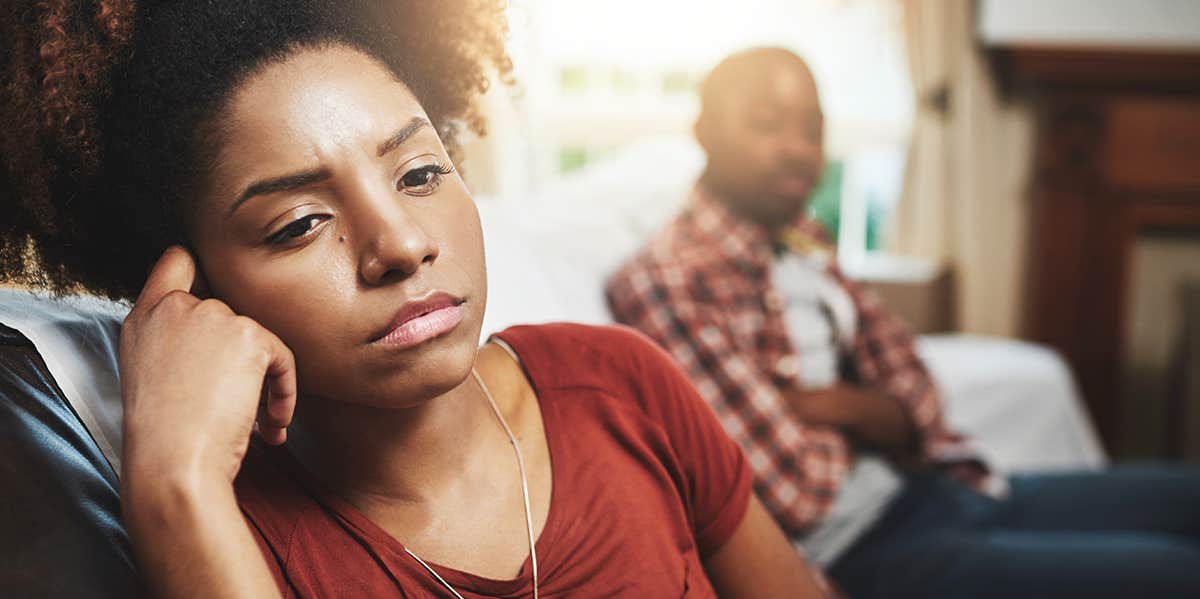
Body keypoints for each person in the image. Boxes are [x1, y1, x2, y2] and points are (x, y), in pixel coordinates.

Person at [0, 5, 830, 598]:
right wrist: (174, 486)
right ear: (199, 289)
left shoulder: (621, 384)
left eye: (421, 174)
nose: (400, 243)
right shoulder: (230, 537)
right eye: (298, 223)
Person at [606, 46, 1200, 599]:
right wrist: (878, 414)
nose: (797, 148)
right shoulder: (671, 279)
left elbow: (917, 388)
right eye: (766, 124)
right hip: (867, 549)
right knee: (1176, 572)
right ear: (704, 132)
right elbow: (799, 491)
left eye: (812, 129)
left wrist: (838, 405)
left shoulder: (802, 237)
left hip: (946, 486)